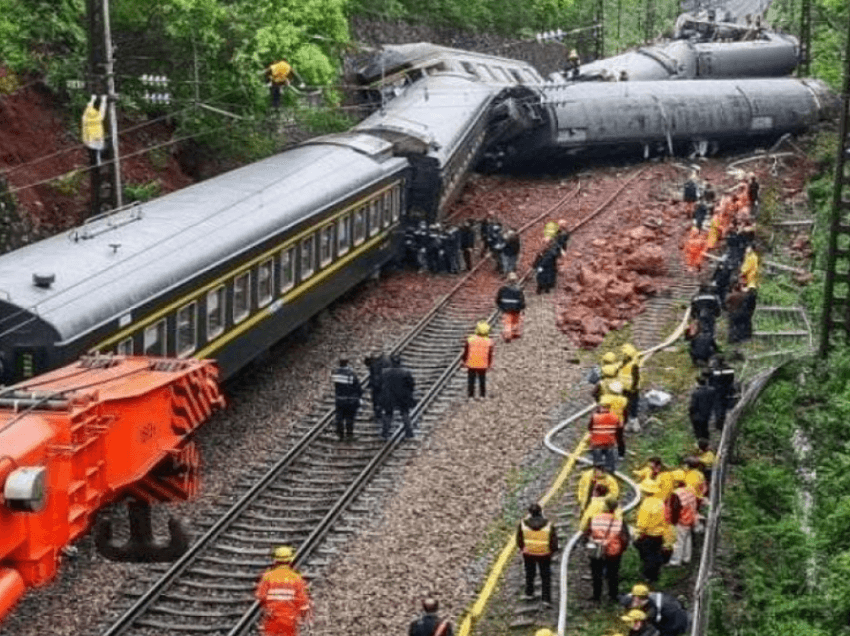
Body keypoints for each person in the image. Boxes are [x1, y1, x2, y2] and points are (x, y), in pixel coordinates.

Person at [256, 546, 311, 636]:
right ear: (290, 561)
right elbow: (302, 601)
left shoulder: (268, 576)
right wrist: (303, 615)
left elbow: (261, 595)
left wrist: (269, 607)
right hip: (289, 619)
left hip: (272, 618)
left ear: (275, 560)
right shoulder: (295, 578)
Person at [584, 496, 628, 602]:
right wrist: (622, 549)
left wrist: (588, 545)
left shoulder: (594, 519)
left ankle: (596, 596)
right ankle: (613, 596)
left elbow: (587, 534)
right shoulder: (619, 522)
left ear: (604, 506)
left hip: (597, 550)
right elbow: (624, 538)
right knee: (613, 574)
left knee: (596, 573)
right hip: (613, 551)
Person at [516, 503, 559, 605]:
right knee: (545, 576)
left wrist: (523, 549)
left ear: (530, 513)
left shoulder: (523, 524)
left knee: (529, 574)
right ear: (541, 512)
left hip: (528, 553)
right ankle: (546, 599)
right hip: (544, 554)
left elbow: (519, 540)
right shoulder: (548, 524)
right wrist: (552, 552)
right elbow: (554, 541)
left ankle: (529, 593)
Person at [633, 481, 669, 584]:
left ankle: (648, 576)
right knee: (656, 554)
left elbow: (642, 523)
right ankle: (656, 574)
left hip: (649, 534)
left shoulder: (646, 505)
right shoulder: (660, 502)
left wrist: (638, 534)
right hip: (660, 533)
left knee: (648, 556)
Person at [623, 585, 690, 636]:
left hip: (680, 626)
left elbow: (650, 630)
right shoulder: (653, 596)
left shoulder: (652, 611)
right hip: (683, 614)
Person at [380, 353, 416, 439]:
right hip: (403, 396)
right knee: (405, 413)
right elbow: (411, 385)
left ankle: (385, 432)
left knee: (388, 414)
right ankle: (409, 432)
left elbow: (380, 385)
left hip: (389, 396)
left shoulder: (385, 372)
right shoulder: (405, 372)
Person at [667, 470, 697, 566]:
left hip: (681, 520)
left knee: (678, 541)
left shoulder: (677, 494)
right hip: (691, 518)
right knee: (687, 539)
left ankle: (676, 560)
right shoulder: (690, 490)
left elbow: (675, 509)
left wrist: (672, 523)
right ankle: (686, 558)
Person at [331, 356, 362, 440]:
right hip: (349, 399)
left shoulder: (336, 373)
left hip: (339, 399)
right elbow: (357, 387)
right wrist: (359, 396)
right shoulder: (351, 374)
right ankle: (349, 435)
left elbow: (336, 386)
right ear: (347, 362)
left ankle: (340, 435)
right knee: (349, 417)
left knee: (339, 417)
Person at [588, 403, 624, 473]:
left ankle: (598, 470)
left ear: (600, 408)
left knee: (597, 464)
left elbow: (590, 428)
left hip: (596, 444)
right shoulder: (615, 417)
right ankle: (610, 470)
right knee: (610, 461)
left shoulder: (595, 416)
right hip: (609, 443)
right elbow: (619, 428)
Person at [463, 321, 494, 398]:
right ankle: (482, 395)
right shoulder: (489, 341)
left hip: (471, 363)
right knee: (482, 379)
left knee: (471, 379)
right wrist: (489, 364)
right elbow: (489, 354)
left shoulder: (470, 339)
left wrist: (464, 360)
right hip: (483, 364)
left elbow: (466, 351)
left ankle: (471, 395)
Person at [496, 273, 526, 342]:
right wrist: (522, 307)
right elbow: (522, 300)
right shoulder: (518, 289)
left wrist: (500, 306)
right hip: (516, 308)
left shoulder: (502, 289)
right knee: (515, 321)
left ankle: (507, 336)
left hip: (506, 308)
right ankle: (515, 333)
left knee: (507, 322)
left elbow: (498, 298)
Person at [708, 355, 735, 430]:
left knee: (718, 408)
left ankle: (719, 425)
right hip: (727, 390)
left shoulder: (714, 371)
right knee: (726, 407)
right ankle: (727, 423)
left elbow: (710, 381)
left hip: (717, 392)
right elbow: (731, 379)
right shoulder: (729, 369)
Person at [363, 351, 390, 423]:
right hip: (384, 383)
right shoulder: (384, 360)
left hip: (377, 385)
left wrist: (372, 385)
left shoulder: (374, 364)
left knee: (376, 400)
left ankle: (378, 415)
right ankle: (384, 414)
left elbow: (375, 376)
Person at [82, 94, 108, 166]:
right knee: (99, 149)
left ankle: (97, 160)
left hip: (90, 140)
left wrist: (92, 99)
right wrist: (104, 100)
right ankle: (98, 160)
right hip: (96, 140)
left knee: (96, 151)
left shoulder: (85, 119)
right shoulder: (98, 118)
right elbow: (102, 109)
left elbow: (88, 108)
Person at [688, 374, 716, 441]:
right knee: (706, 432)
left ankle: (702, 444)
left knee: (699, 433)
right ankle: (707, 444)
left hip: (698, 416)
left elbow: (692, 406)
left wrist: (691, 414)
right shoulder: (712, 391)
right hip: (709, 416)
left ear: (698, 383)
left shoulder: (696, 393)